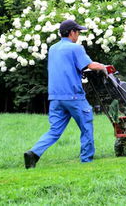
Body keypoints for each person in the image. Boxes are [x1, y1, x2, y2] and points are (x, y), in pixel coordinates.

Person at [24, 19, 106, 169]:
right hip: (73, 96)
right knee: (86, 125)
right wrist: (104, 67)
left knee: (54, 131)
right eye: (78, 32)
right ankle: (87, 160)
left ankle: (33, 153)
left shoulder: (53, 49)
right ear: (71, 32)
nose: (79, 35)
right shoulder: (76, 48)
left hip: (55, 97)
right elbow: (90, 65)